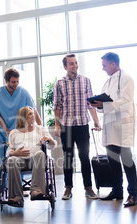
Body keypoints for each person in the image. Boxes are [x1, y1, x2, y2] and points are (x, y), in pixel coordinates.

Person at [90, 52, 137, 207]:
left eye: (104, 65)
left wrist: (104, 105)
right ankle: (117, 191)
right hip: (110, 126)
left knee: (127, 162)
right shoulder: (107, 82)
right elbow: (106, 105)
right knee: (113, 162)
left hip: (123, 126)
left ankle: (133, 194)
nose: (103, 68)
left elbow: (125, 101)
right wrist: (97, 105)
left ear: (113, 64)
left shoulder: (126, 79)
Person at [53, 54, 101, 200]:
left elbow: (90, 104)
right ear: (65, 66)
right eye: (71, 64)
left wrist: (96, 121)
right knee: (68, 158)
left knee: (84, 157)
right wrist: (57, 125)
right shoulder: (59, 83)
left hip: (82, 125)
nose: (75, 66)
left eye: (75, 63)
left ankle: (88, 188)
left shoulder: (86, 81)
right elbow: (57, 106)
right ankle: (68, 188)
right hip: (66, 126)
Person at [0, 68, 42, 200]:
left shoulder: (23, 92)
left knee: (19, 157)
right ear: (6, 81)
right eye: (13, 82)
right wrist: (7, 130)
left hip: (20, 132)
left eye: (17, 81)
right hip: (2, 132)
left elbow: (33, 110)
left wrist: (40, 126)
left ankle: (18, 187)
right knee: (0, 160)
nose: (16, 84)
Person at [5, 106, 56, 206]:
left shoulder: (40, 129)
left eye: (33, 113)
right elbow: (9, 151)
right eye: (30, 114)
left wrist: (49, 140)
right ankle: (16, 196)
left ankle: (36, 191)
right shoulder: (14, 133)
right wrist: (15, 153)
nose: (33, 116)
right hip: (19, 160)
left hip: (36, 160)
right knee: (11, 160)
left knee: (41, 154)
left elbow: (53, 146)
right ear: (23, 117)